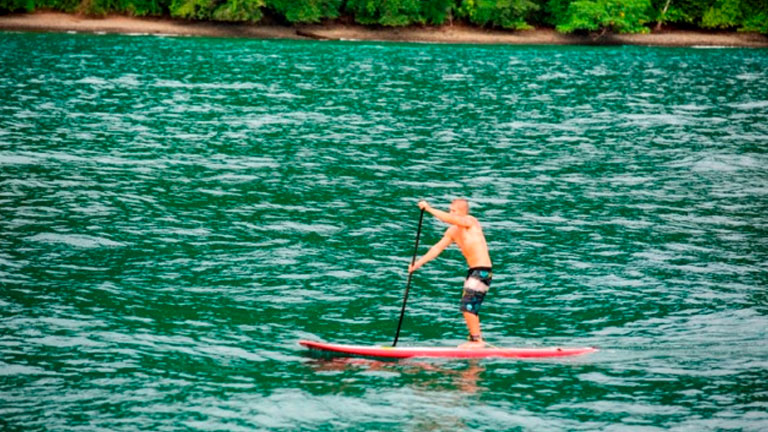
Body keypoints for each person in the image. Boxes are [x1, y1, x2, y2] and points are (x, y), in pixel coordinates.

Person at [408, 199, 493, 348]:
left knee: (468, 305)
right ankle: (475, 339)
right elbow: (436, 249)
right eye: (450, 210)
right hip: (473, 271)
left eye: (454, 211)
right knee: (468, 305)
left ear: (462, 212)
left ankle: (477, 341)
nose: (450, 213)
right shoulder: (453, 231)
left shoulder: (470, 221)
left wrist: (428, 209)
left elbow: (448, 219)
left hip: (483, 270)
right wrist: (417, 264)